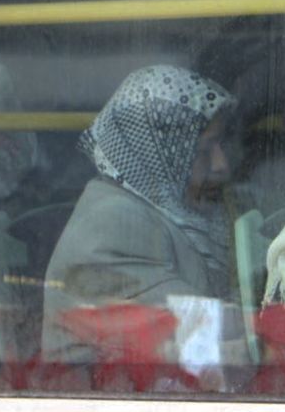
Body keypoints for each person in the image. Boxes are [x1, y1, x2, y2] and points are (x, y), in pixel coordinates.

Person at [42, 65, 236, 363]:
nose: (221, 164)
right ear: (158, 154)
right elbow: (198, 334)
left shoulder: (167, 214)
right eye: (204, 150)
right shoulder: (115, 224)